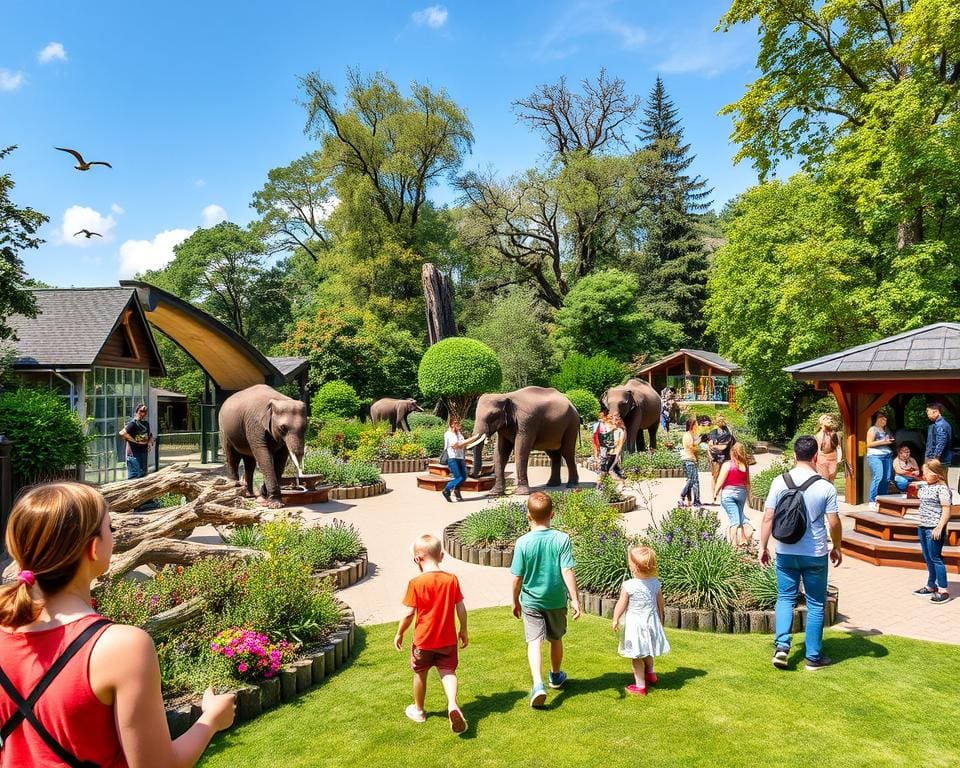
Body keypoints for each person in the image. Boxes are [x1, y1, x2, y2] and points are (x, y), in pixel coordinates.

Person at [0, 482, 235, 767]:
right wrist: (210, 720)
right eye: (110, 528)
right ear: (94, 548)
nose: (114, 535)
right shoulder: (120, 647)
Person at [759, 436, 842, 671]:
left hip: (785, 550)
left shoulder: (779, 481)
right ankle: (813, 658)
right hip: (814, 552)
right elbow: (834, 523)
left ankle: (782, 647)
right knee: (816, 603)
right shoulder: (825, 486)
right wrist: (837, 546)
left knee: (785, 597)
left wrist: (763, 547)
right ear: (816, 456)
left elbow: (768, 517)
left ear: (794, 455)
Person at [510, 491, 580, 708]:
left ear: (528, 516)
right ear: (552, 514)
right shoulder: (562, 539)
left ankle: (538, 683)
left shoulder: (523, 542)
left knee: (534, 642)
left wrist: (515, 601)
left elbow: (517, 578)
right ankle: (555, 676)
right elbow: (567, 570)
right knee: (556, 638)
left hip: (531, 600)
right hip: (556, 600)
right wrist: (575, 599)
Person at [394, 534, 468, 732]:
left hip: (423, 641)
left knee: (420, 673)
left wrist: (400, 632)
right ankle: (452, 703)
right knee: (448, 672)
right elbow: (460, 607)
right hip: (447, 640)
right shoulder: (451, 580)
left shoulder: (415, 583)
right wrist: (464, 630)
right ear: (441, 556)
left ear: (417, 559)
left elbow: (410, 613)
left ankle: (418, 711)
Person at [611, 546, 670, 697]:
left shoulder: (629, 585)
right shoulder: (655, 583)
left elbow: (621, 604)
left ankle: (640, 686)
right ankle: (650, 673)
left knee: (636, 656)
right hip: (651, 622)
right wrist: (661, 617)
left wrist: (615, 618)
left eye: (630, 563)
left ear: (635, 567)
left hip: (635, 626)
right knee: (647, 650)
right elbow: (660, 602)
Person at [913, 460, 953, 604]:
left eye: (927, 472)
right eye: (923, 472)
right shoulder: (925, 486)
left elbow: (947, 510)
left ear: (936, 474)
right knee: (928, 557)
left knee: (936, 558)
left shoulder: (942, 489)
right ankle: (931, 585)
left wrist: (939, 527)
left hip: (933, 528)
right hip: (922, 526)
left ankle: (943, 590)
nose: (924, 475)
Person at [713, 442, 752, 547]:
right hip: (741, 494)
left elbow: (721, 480)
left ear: (732, 452)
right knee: (739, 515)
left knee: (734, 521)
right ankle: (743, 540)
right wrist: (750, 497)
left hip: (728, 495)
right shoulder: (745, 465)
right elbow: (747, 483)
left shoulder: (727, 465)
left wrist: (715, 493)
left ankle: (732, 545)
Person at [865, 412, 895, 511]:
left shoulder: (886, 430)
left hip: (887, 455)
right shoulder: (873, 429)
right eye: (882, 418)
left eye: (885, 419)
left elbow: (888, 440)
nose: (884, 420)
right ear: (876, 419)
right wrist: (884, 441)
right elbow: (869, 444)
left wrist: (890, 440)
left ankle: (883, 500)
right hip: (875, 456)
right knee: (878, 476)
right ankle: (872, 501)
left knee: (886, 478)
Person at [118, 403, 153, 480]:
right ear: (137, 411)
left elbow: (149, 434)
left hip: (143, 452)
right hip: (134, 454)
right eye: (141, 411)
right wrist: (135, 441)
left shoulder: (146, 423)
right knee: (135, 476)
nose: (142, 413)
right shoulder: (133, 423)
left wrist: (150, 442)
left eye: (145, 411)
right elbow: (122, 433)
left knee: (143, 475)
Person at [924, 403, 955, 490]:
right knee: (941, 481)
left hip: (940, 459)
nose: (928, 415)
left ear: (936, 412)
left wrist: (936, 457)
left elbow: (941, 442)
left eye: (928, 412)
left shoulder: (940, 425)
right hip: (942, 458)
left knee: (940, 481)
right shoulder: (943, 424)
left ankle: (945, 501)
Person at [596, 413, 625, 490]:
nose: (613, 422)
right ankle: (601, 485)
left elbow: (620, 445)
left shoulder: (620, 431)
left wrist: (617, 456)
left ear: (618, 421)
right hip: (608, 454)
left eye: (615, 420)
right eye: (612, 420)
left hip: (614, 454)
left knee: (608, 470)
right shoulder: (611, 431)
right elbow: (605, 442)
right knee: (607, 469)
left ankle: (620, 483)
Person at [707, 415, 735, 495]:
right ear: (716, 422)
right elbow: (710, 443)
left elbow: (725, 446)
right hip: (716, 457)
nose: (721, 422)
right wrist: (713, 447)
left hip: (726, 456)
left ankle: (721, 491)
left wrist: (715, 446)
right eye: (719, 421)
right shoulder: (713, 432)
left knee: (725, 475)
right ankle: (715, 493)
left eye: (722, 420)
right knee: (715, 475)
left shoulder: (727, 433)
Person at [441, 418, 468, 503]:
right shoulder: (448, 434)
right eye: (457, 424)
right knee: (459, 477)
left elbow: (463, 443)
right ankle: (446, 490)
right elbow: (455, 445)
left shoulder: (459, 434)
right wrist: (462, 443)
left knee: (464, 476)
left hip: (460, 457)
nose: (459, 426)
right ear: (452, 424)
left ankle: (456, 490)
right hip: (452, 458)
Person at [678, 418, 701, 509]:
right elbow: (691, 447)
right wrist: (700, 447)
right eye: (696, 424)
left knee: (694, 481)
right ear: (692, 425)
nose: (698, 426)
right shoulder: (687, 435)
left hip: (692, 460)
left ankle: (695, 500)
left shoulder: (693, 435)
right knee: (692, 480)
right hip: (688, 460)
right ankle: (682, 495)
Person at [813, 415, 842, 483]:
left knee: (831, 481)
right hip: (822, 460)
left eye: (829, 419)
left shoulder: (834, 434)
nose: (829, 420)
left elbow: (838, 447)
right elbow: (817, 450)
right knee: (824, 481)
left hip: (833, 459)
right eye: (825, 419)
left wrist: (838, 459)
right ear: (821, 423)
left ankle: (831, 493)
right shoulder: (817, 436)